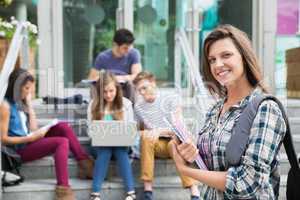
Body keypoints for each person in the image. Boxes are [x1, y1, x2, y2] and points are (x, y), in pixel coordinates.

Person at [171, 24, 287, 199]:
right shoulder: (215, 110)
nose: (218, 65)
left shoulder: (265, 109)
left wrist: (186, 170)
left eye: (226, 55)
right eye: (212, 60)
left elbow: (249, 183)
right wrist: (188, 154)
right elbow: (211, 168)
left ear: (243, 57)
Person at [0, 68, 94, 200]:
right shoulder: (5, 106)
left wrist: (29, 107)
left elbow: (32, 129)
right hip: (19, 150)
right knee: (61, 142)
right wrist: (29, 138)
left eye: (30, 89)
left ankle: (85, 164)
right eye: (26, 88)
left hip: (29, 140)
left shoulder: (21, 103)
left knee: (63, 127)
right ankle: (63, 190)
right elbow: (3, 139)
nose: (29, 92)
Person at [132, 71, 200, 200]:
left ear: (153, 83)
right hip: (156, 145)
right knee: (146, 137)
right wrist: (146, 133)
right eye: (139, 90)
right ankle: (148, 191)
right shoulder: (139, 107)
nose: (143, 92)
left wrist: (158, 131)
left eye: (145, 87)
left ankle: (194, 191)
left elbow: (179, 128)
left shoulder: (171, 98)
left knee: (173, 144)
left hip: (175, 142)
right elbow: (137, 131)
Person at [88, 71, 136, 200]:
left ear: (117, 89)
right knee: (105, 150)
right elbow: (90, 131)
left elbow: (130, 128)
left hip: (121, 144)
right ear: (99, 91)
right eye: (104, 92)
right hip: (100, 145)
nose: (108, 95)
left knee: (120, 150)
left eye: (111, 91)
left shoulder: (126, 104)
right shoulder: (93, 105)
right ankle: (96, 193)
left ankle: (130, 193)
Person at [88, 28, 142, 102]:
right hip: (107, 88)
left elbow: (137, 76)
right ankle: (97, 110)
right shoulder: (103, 57)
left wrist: (119, 78)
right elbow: (92, 77)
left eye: (130, 47)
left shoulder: (134, 53)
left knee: (131, 84)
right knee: (94, 86)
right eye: (125, 48)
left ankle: (130, 109)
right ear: (115, 45)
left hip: (125, 88)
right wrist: (108, 79)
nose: (128, 50)